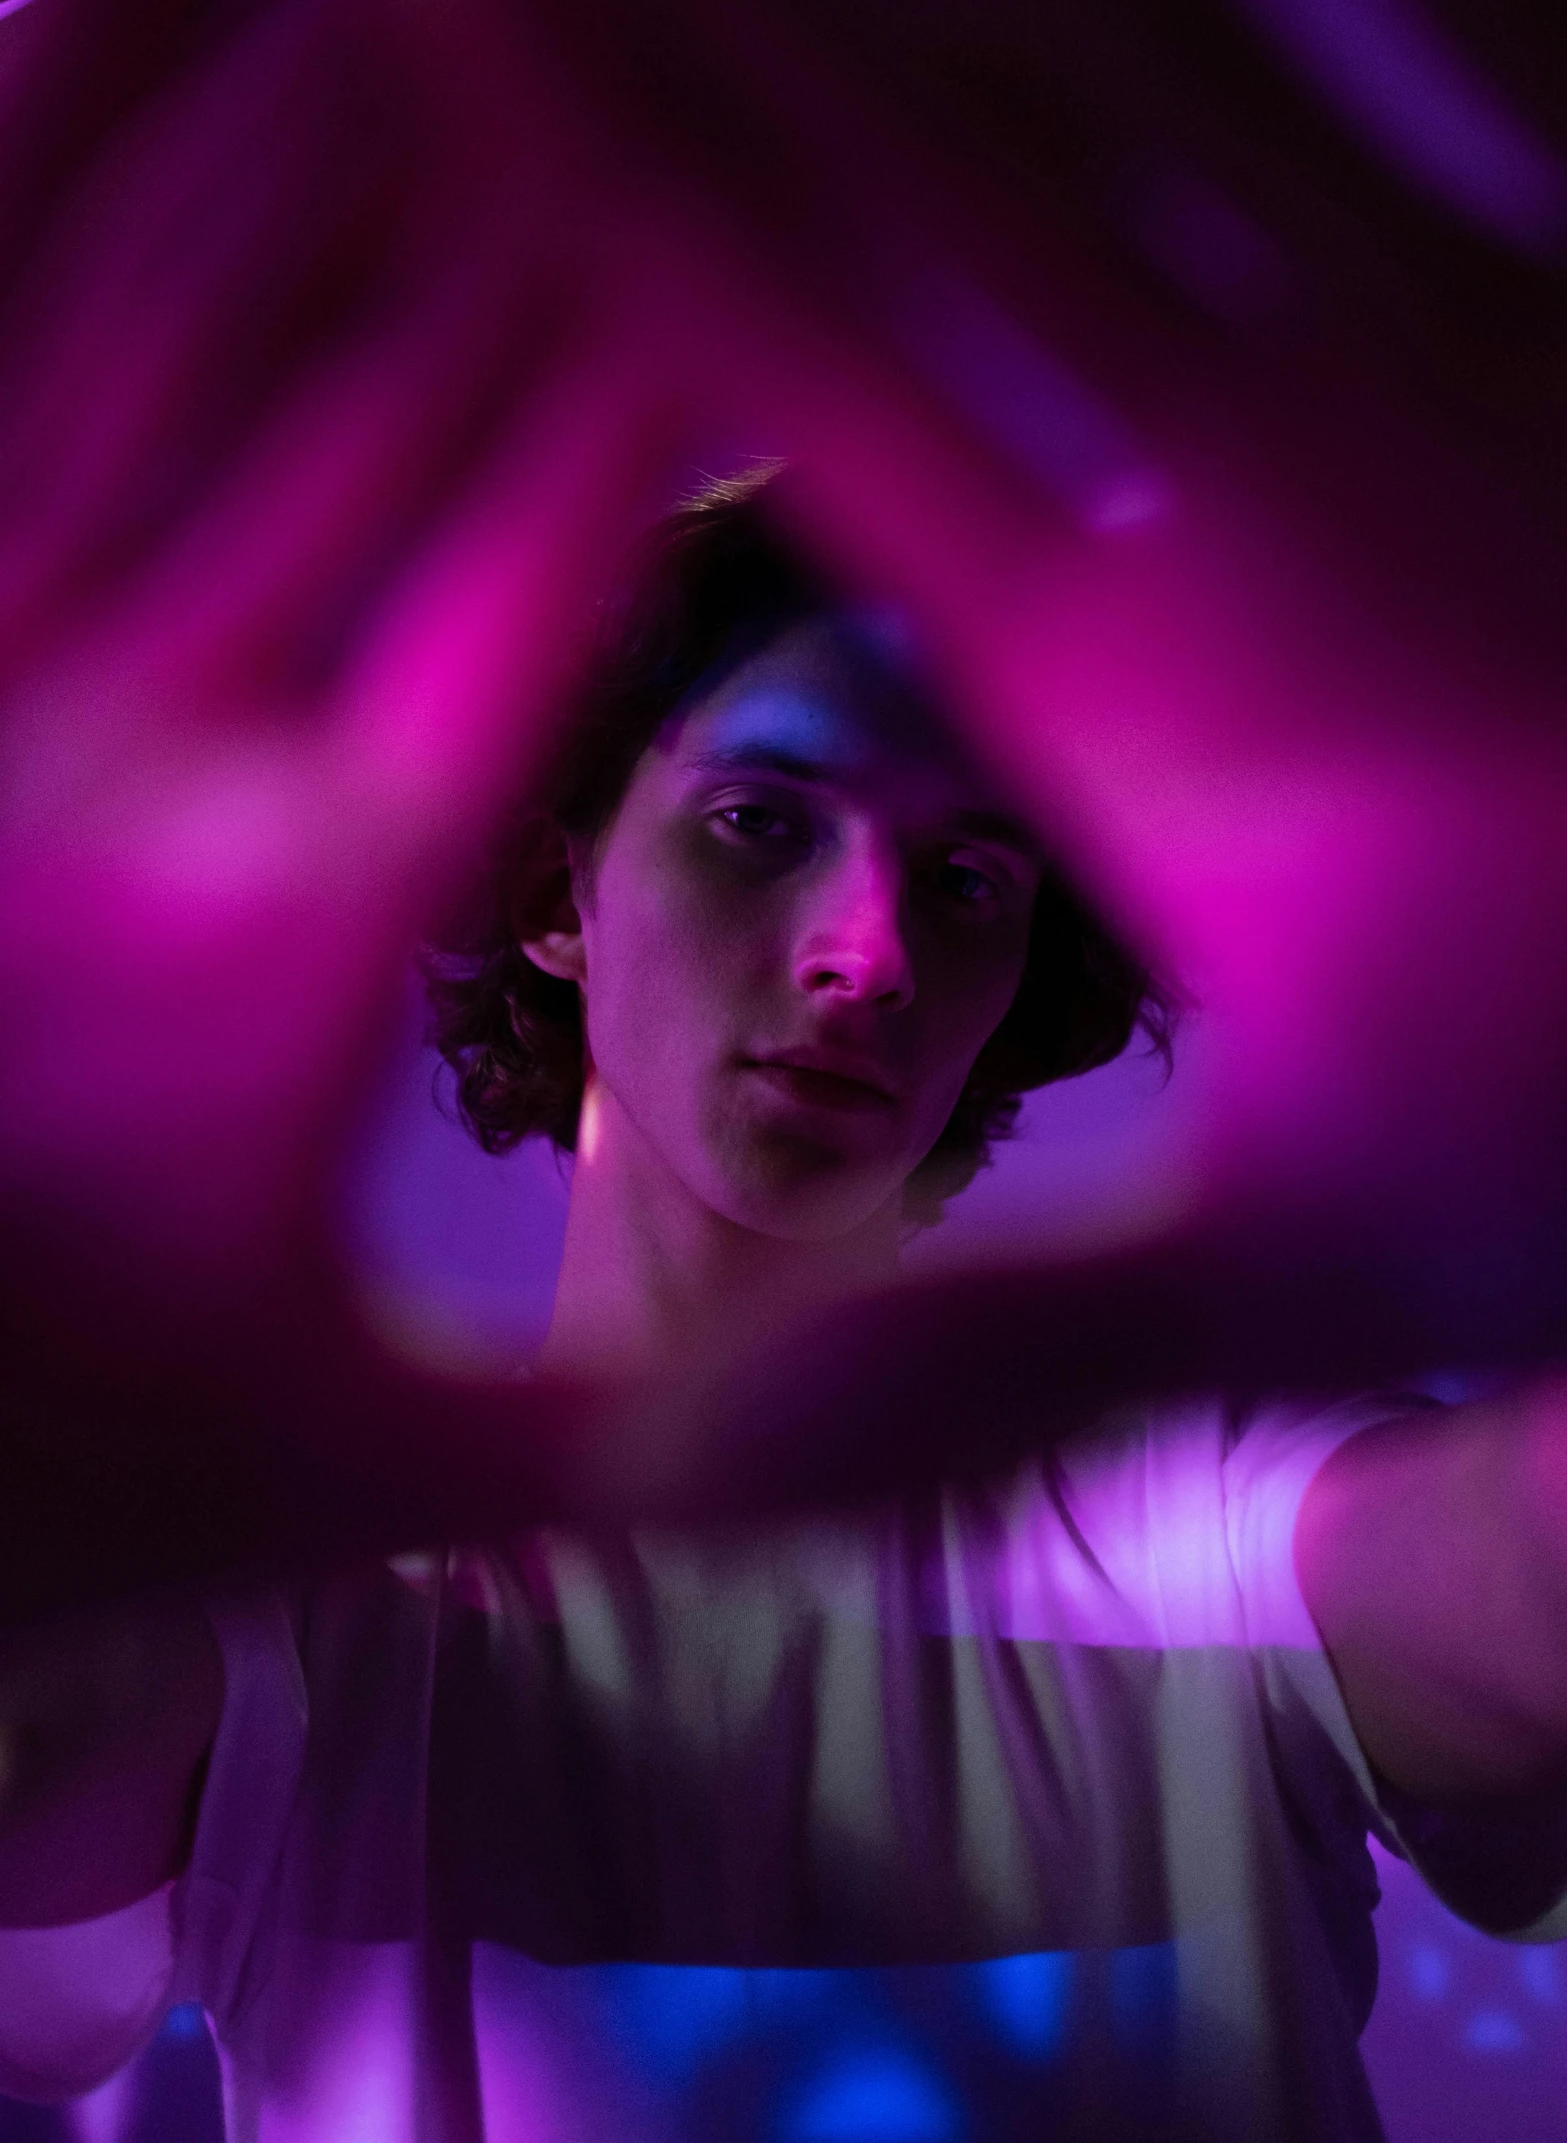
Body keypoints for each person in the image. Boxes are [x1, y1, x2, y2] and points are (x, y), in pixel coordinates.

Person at [4, 473, 1567, 2143]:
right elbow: (49, 1740)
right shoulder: (308, 1600)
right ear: (557, 896)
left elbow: (1511, 1567)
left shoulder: (1195, 1512)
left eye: (970, 874)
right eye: (761, 819)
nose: (868, 950)